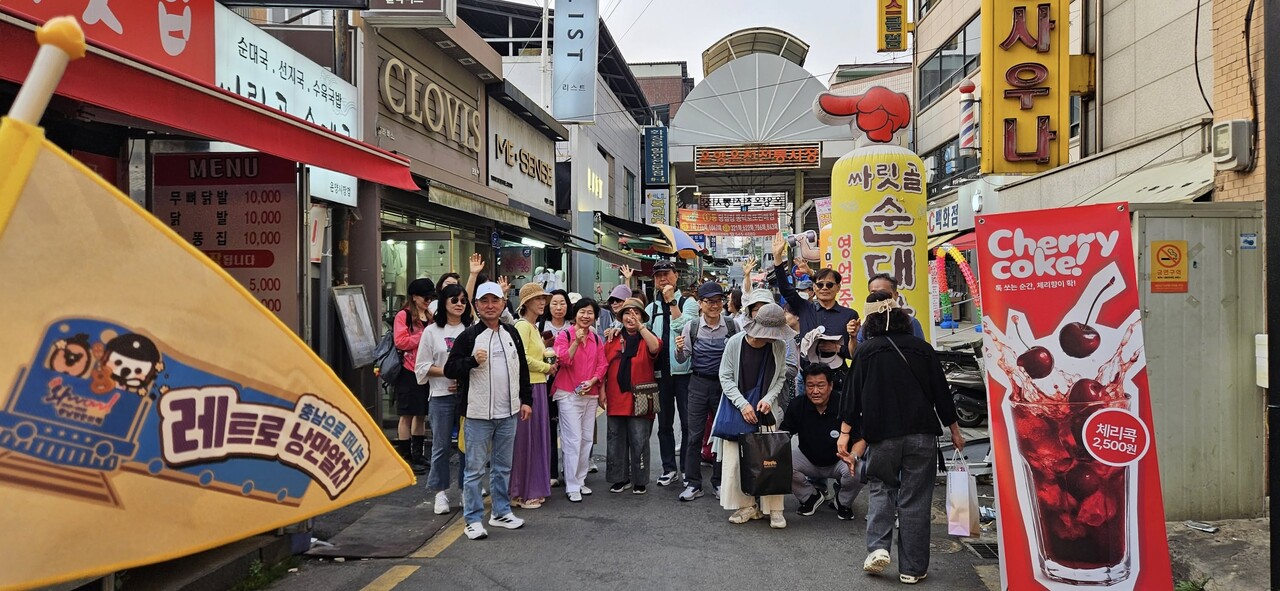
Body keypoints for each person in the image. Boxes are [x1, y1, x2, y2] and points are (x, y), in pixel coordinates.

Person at [837, 291, 964, 584]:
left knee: (882, 488)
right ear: (903, 318)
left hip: (882, 435)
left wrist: (844, 435)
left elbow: (852, 397)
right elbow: (942, 396)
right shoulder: (923, 349)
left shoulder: (866, 352)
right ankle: (912, 568)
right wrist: (955, 432)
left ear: (870, 321)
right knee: (916, 498)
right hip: (922, 435)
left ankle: (879, 549)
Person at [444, 282, 534, 541]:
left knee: (503, 467)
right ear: (477, 306)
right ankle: (472, 519)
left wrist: (525, 400)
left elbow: (522, 370)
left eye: (495, 300)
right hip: (477, 414)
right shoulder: (469, 336)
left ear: (504, 304)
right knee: (473, 470)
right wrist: (472, 361)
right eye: (485, 301)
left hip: (509, 413)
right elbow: (450, 369)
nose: (490, 305)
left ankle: (501, 512)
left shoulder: (512, 333)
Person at [715, 303, 795, 529]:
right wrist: (742, 404)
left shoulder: (778, 345)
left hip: (765, 407)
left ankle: (775, 509)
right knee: (737, 459)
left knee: (771, 457)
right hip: (737, 406)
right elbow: (725, 377)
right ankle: (747, 505)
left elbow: (781, 377)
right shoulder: (735, 342)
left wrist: (769, 399)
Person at [674, 281, 739, 502]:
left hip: (725, 386)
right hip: (698, 383)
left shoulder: (732, 326)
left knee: (722, 435)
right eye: (709, 301)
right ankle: (693, 483)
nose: (715, 305)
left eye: (718, 300)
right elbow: (682, 360)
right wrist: (679, 349)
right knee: (694, 435)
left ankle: (720, 482)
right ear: (700, 303)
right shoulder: (691, 327)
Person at [415, 283, 473, 515]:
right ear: (444, 303)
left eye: (463, 300)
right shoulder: (431, 332)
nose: (459, 304)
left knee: (467, 447)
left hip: (469, 397)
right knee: (440, 446)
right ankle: (440, 493)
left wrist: (463, 377)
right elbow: (421, 366)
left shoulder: (473, 329)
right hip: (440, 396)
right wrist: (449, 372)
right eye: (454, 300)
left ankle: (465, 490)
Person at [644, 260, 699, 488]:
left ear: (676, 276)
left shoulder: (689, 303)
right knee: (664, 424)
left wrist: (671, 301)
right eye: (658, 276)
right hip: (660, 374)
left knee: (688, 423)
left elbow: (682, 326)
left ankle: (687, 469)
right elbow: (638, 327)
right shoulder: (651, 309)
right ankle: (669, 469)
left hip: (685, 372)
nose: (662, 279)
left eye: (666, 274)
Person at [782, 364, 862, 520]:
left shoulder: (844, 405)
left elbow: (860, 439)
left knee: (859, 469)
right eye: (810, 386)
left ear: (831, 385)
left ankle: (842, 501)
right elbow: (784, 435)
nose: (815, 391)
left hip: (839, 460)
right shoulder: (797, 405)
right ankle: (810, 496)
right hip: (808, 459)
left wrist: (854, 456)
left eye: (820, 385)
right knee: (780, 463)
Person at [552, 298, 609, 502]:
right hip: (568, 394)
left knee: (586, 439)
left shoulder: (596, 339)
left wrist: (593, 381)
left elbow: (602, 364)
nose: (586, 316)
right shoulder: (564, 335)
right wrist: (576, 340)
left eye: (590, 313)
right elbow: (564, 360)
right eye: (582, 312)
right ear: (575, 314)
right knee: (572, 439)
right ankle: (572, 484)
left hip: (590, 394)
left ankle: (580, 479)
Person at [603, 298, 661, 494]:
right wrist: (602, 390)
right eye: (627, 313)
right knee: (615, 439)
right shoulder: (613, 339)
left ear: (642, 317)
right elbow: (604, 366)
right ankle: (619, 478)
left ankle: (640, 479)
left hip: (641, 397)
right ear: (621, 317)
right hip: (616, 395)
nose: (631, 317)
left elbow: (655, 348)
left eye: (635, 313)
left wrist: (642, 328)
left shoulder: (647, 337)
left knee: (639, 440)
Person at [770, 233, 860, 347]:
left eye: (830, 285)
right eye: (820, 285)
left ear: (838, 287)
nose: (825, 288)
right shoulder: (805, 308)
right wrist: (777, 258)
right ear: (814, 288)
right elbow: (785, 289)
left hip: (838, 364)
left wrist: (838, 348)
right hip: (808, 364)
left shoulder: (849, 315)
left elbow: (853, 354)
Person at [511, 283, 554, 510]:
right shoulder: (523, 326)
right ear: (525, 302)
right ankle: (521, 492)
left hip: (538, 385)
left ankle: (529, 489)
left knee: (536, 439)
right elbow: (521, 358)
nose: (542, 302)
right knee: (526, 441)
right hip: (529, 387)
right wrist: (546, 368)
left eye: (543, 299)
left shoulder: (534, 327)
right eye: (538, 299)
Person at [393, 277, 434, 475]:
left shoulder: (430, 316)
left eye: (430, 297)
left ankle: (419, 455)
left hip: (426, 371)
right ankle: (406, 457)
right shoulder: (404, 316)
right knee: (406, 416)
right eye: (425, 297)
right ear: (414, 297)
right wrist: (423, 336)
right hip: (408, 371)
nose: (428, 300)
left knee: (421, 414)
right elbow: (401, 341)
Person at [539, 289, 572, 486]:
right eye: (554, 303)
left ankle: (570, 470)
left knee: (569, 429)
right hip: (548, 381)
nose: (558, 307)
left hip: (569, 381)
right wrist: (544, 344)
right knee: (550, 427)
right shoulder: (540, 326)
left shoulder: (574, 326)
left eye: (562, 303)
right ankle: (551, 472)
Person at [857, 273, 926, 343]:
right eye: (873, 293)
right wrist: (852, 337)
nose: (879, 296)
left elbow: (921, 350)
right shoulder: (866, 324)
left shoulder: (910, 322)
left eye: (883, 292)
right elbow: (857, 352)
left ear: (895, 295)